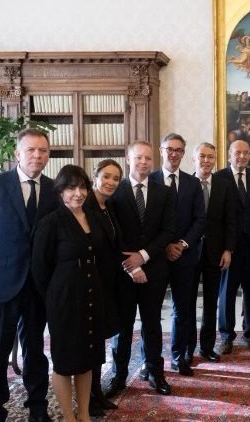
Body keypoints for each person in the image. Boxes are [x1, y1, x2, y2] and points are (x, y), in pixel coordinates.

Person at [0, 128, 58, 422]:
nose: (37, 155)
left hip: (38, 287)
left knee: (35, 349)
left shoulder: (55, 190)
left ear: (48, 155)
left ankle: (38, 407)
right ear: (18, 154)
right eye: (31, 150)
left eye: (43, 150)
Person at [32, 165, 105, 422]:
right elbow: (39, 268)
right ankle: (68, 417)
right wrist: (55, 297)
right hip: (63, 300)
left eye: (83, 187)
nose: (78, 193)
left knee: (87, 359)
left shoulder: (93, 217)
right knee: (65, 362)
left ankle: (83, 414)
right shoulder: (50, 222)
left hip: (92, 295)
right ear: (60, 191)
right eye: (71, 188)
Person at [106, 141, 176, 397]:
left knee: (152, 324)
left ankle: (156, 374)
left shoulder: (164, 192)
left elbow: (168, 230)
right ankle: (118, 377)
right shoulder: (115, 192)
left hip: (154, 270)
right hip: (123, 272)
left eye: (147, 158)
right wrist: (132, 266)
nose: (144, 162)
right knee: (123, 327)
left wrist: (143, 257)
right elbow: (113, 234)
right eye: (138, 157)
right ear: (128, 159)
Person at [149, 133, 206, 377]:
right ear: (161, 151)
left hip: (185, 256)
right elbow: (146, 223)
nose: (173, 154)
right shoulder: (150, 180)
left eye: (178, 150)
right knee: (151, 313)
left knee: (183, 310)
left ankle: (178, 356)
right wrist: (164, 246)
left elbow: (200, 220)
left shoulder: (193, 184)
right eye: (169, 149)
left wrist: (181, 244)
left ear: (183, 153)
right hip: (155, 258)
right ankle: (150, 361)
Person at [215, 140, 250, 354]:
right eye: (237, 152)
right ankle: (226, 336)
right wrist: (223, 247)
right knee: (227, 292)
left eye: (245, 153)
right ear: (229, 154)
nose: (241, 156)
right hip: (228, 248)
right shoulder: (219, 178)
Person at [186, 142, 237, 363]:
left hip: (215, 253)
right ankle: (187, 348)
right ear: (194, 159)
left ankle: (207, 347)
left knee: (210, 303)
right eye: (202, 156)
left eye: (211, 157)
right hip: (189, 253)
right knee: (187, 303)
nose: (206, 161)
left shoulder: (224, 185)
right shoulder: (185, 184)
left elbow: (231, 220)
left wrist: (228, 249)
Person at [85, 159, 124, 416]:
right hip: (89, 285)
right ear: (95, 176)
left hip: (107, 284)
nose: (110, 182)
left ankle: (96, 394)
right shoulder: (85, 206)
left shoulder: (109, 207)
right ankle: (88, 398)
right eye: (106, 176)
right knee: (90, 345)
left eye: (116, 179)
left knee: (99, 343)